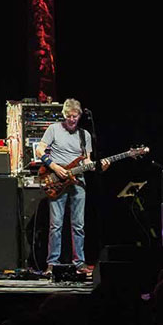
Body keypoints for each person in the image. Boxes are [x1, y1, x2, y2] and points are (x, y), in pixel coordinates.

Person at [34, 98, 106, 273]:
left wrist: (99, 165)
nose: (72, 120)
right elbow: (39, 150)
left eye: (75, 117)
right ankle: (53, 263)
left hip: (78, 182)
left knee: (78, 225)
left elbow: (86, 160)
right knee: (56, 224)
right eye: (69, 117)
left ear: (80, 115)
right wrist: (54, 167)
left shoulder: (85, 135)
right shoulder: (53, 129)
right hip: (57, 181)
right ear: (64, 115)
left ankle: (79, 262)